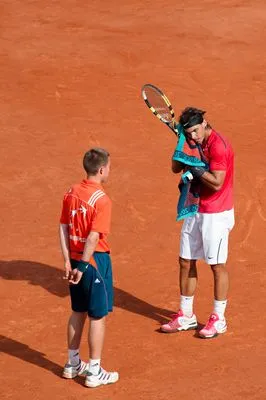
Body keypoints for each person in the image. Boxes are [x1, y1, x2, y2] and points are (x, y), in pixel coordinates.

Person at [161, 107, 234, 339]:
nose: (194, 136)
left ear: (204, 123)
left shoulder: (218, 146)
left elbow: (217, 183)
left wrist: (195, 167)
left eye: (195, 131)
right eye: (189, 133)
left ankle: (219, 319)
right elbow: (175, 168)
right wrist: (183, 146)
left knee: (216, 265)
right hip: (195, 209)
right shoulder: (192, 140)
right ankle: (186, 315)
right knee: (185, 261)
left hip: (216, 213)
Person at [59, 147, 119, 387]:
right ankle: (94, 371)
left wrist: (67, 261)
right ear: (102, 169)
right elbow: (94, 237)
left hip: (73, 259)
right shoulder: (102, 200)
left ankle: (72, 364)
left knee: (77, 310)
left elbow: (62, 227)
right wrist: (84, 265)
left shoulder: (70, 192)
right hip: (93, 262)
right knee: (97, 315)